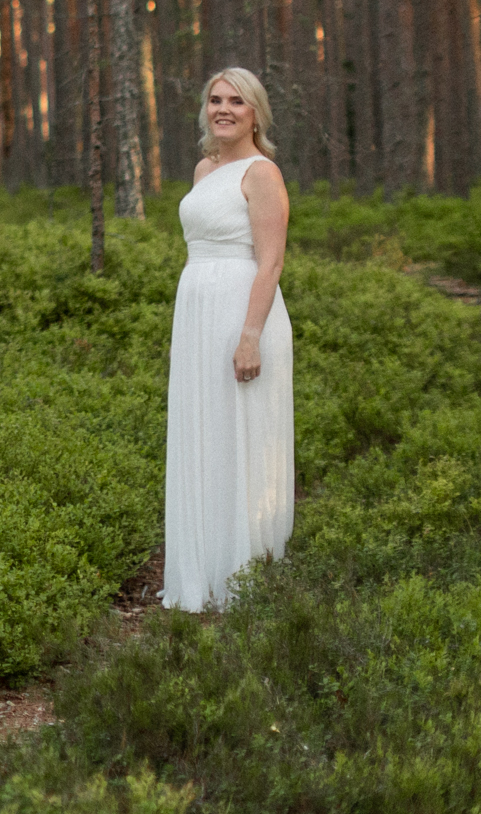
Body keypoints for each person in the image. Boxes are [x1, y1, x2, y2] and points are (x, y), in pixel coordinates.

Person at [161, 66, 294, 612]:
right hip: (197, 312)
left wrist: (249, 337)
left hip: (244, 313)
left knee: (243, 442)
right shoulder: (204, 168)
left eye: (236, 101)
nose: (223, 109)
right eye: (215, 99)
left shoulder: (263, 174)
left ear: (255, 113)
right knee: (203, 437)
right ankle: (203, 570)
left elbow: (271, 262)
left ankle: (245, 577)